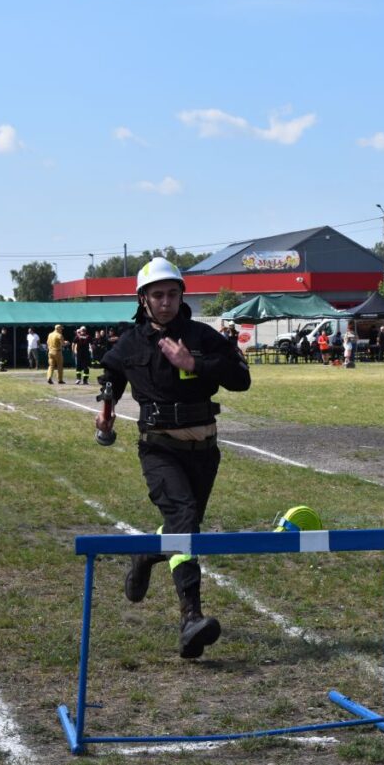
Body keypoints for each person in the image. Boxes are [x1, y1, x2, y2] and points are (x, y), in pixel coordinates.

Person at [95, 257, 251, 659]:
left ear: (182, 296)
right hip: (159, 448)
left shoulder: (203, 336)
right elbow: (111, 374)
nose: (165, 302)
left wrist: (193, 363)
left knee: (186, 529)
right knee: (182, 518)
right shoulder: (130, 342)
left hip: (204, 449)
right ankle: (191, 619)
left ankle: (147, 554)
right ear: (143, 300)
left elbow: (241, 379)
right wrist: (106, 404)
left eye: (172, 294)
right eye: (157, 295)